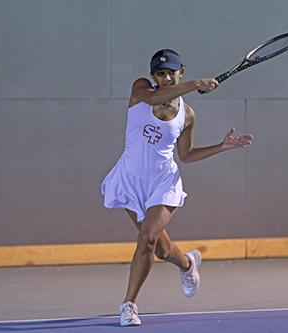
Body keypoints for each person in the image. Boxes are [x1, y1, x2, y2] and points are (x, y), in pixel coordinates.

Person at [101, 49, 254, 326]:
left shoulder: (188, 115)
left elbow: (186, 155)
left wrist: (221, 147)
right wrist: (195, 84)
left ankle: (128, 305)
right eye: (160, 73)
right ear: (153, 77)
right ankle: (187, 264)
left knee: (147, 238)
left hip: (164, 182)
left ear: (180, 71)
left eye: (171, 71)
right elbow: (155, 98)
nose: (166, 77)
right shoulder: (141, 90)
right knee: (160, 249)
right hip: (130, 180)